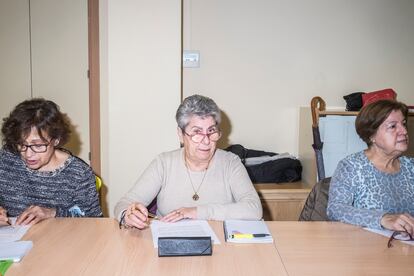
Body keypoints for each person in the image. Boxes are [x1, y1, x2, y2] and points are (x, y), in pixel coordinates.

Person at [115, 94, 262, 229]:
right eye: (197, 132)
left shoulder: (231, 163)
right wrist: (127, 216)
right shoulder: (164, 164)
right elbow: (124, 204)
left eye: (211, 131)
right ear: (180, 134)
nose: (206, 141)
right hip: (169, 246)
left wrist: (197, 212)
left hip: (220, 248)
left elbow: (254, 209)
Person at [0, 98, 102, 226]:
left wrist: (53, 213)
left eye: (37, 145)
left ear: (56, 140)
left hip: (59, 241)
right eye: (21, 144)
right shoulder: (6, 159)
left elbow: (93, 220)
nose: (28, 154)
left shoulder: (78, 173)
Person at [327, 99, 414, 235]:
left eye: (403, 124)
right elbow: (336, 210)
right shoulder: (352, 167)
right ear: (372, 135)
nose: (403, 131)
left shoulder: (411, 168)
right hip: (365, 250)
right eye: (393, 126)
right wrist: (382, 219)